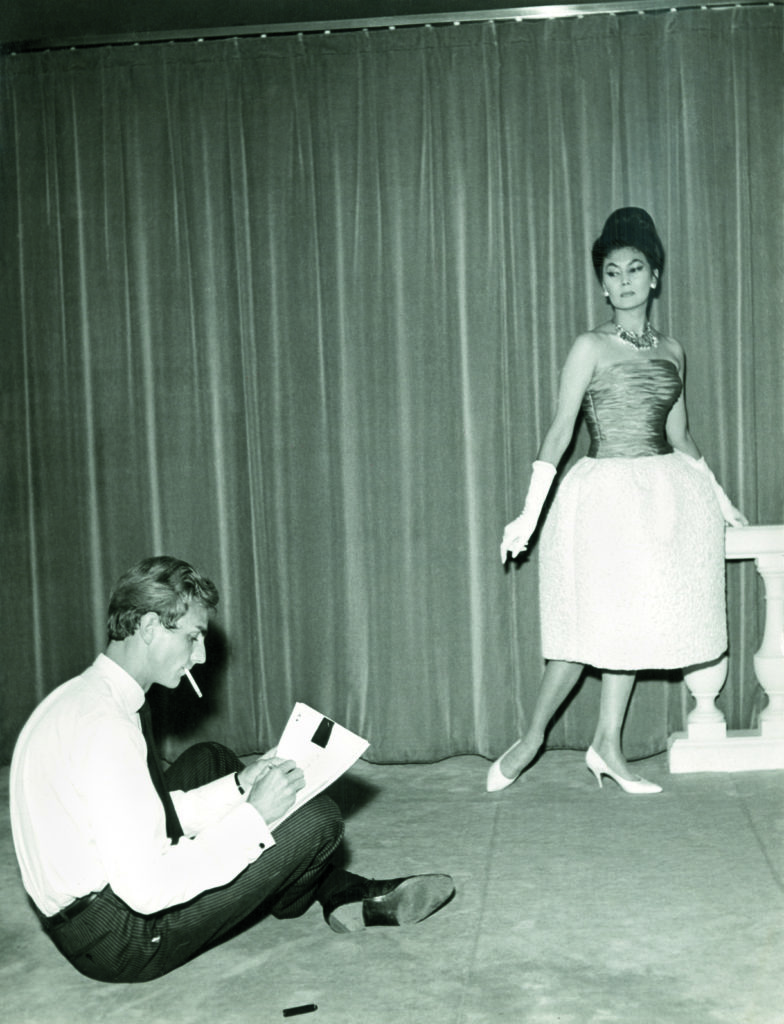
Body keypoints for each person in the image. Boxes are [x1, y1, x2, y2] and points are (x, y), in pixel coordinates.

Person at [10, 556, 455, 983]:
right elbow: (146, 887)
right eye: (192, 637)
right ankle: (340, 891)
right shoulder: (108, 730)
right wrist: (254, 817)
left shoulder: (82, 697)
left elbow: (144, 820)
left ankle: (332, 889)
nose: (200, 656)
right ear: (148, 627)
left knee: (215, 760)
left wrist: (241, 786)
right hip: (122, 937)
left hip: (90, 906)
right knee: (318, 820)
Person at [488, 207, 747, 795]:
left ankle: (608, 745)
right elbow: (559, 432)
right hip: (603, 498)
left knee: (628, 626)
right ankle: (531, 739)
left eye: (635, 268)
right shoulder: (590, 346)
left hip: (660, 498)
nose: (624, 280)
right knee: (588, 628)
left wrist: (723, 501)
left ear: (654, 276)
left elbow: (680, 436)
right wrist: (527, 515)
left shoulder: (675, 351)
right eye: (612, 271)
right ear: (602, 282)